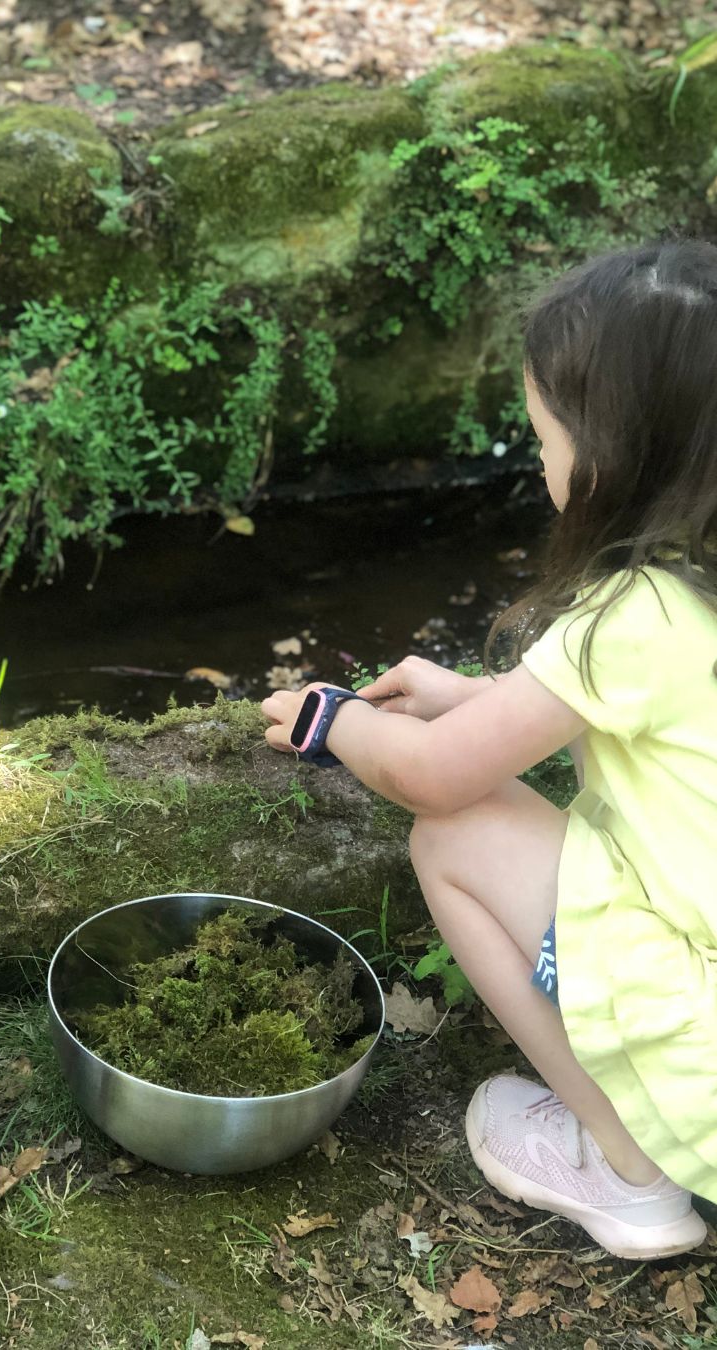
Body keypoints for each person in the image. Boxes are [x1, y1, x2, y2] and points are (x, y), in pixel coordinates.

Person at [263, 239, 717, 1262]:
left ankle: (632, 1169)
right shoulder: (700, 583)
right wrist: (479, 700)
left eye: (546, 439)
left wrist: (337, 721)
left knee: (455, 833)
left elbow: (435, 775)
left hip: (704, 1065)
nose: (541, 463)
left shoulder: (636, 612)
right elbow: (651, 727)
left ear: (614, 456)